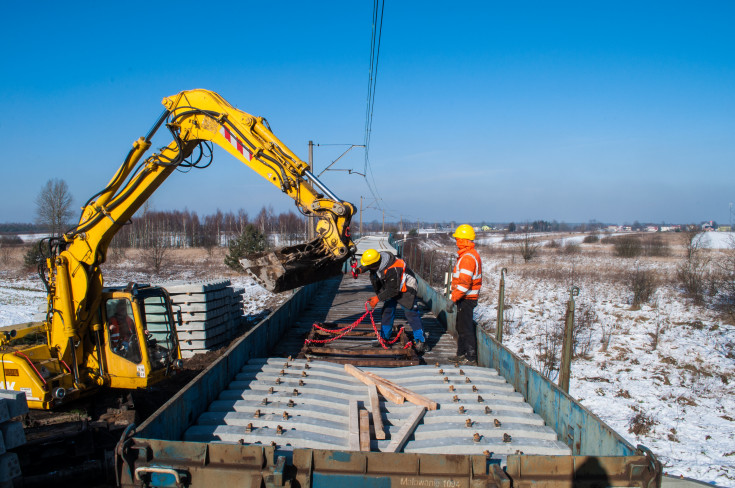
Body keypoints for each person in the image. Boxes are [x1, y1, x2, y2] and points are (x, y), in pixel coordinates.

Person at [358, 249, 428, 353]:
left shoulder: (393, 269)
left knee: (411, 314)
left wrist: (377, 298)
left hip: (406, 288)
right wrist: (359, 270)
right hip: (392, 286)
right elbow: (367, 266)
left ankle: (421, 341)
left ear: (375, 264)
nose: (368, 269)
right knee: (387, 311)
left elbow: (393, 290)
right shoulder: (378, 260)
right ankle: (384, 338)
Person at [447, 224, 482, 365]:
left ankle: (470, 357)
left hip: (466, 299)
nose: (456, 241)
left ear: (463, 240)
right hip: (465, 298)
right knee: (460, 326)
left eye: (458, 239)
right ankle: (461, 354)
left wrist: (453, 298)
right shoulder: (467, 255)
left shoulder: (468, 258)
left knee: (465, 328)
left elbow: (464, 284)